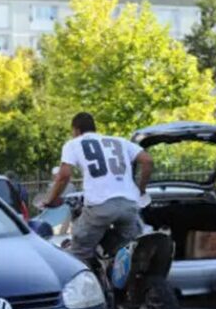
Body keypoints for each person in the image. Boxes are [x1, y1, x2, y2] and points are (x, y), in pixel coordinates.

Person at [41, 112, 154, 265]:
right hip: (129, 204)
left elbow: (63, 176)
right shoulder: (119, 141)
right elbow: (147, 160)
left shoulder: (73, 144)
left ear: (76, 130)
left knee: (79, 253)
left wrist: (51, 199)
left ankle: (88, 286)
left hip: (100, 205)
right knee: (128, 252)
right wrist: (140, 189)